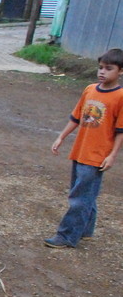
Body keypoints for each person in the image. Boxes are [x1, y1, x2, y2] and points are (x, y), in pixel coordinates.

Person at [44, 48, 123, 249]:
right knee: (85, 193)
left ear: (120, 71)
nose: (102, 72)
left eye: (109, 68)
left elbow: (120, 130)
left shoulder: (120, 96)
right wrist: (61, 137)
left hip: (97, 155)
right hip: (81, 150)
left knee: (79, 197)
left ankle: (67, 236)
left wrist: (112, 155)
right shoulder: (90, 89)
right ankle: (86, 229)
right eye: (100, 68)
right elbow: (76, 117)